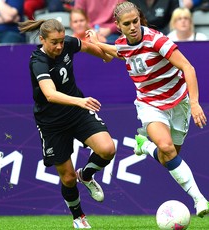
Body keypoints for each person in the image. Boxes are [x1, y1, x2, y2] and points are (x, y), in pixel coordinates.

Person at [87, 1, 209, 218]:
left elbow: (187, 67)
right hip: (150, 105)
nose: (133, 26)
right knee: (168, 148)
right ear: (118, 25)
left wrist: (194, 102)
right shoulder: (123, 43)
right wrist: (98, 43)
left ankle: (144, 147)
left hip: (179, 102)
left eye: (135, 21)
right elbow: (118, 51)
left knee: (167, 157)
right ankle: (199, 199)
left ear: (140, 19)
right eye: (127, 24)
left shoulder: (157, 40)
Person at [18, 19, 115, 228]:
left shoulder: (68, 43)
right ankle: (78, 217)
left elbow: (92, 49)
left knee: (108, 149)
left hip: (76, 113)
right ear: (42, 39)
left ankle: (87, 175)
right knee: (68, 178)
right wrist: (80, 100)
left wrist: (103, 52)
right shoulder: (38, 61)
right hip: (52, 122)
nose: (60, 46)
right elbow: (50, 94)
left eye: (62, 41)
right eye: (54, 42)